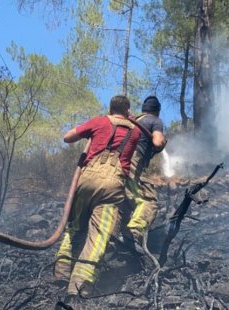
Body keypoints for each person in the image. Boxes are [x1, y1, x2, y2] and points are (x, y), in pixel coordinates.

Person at [54, 95, 142, 298]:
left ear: (110, 108)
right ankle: (80, 284)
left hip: (86, 180)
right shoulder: (135, 131)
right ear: (127, 109)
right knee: (99, 236)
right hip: (112, 185)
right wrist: (131, 118)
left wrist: (89, 132)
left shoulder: (99, 121)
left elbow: (67, 137)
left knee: (75, 226)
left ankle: (61, 272)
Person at [125, 96, 167, 247]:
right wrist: (161, 143)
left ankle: (119, 235)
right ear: (157, 111)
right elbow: (157, 142)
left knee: (123, 200)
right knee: (149, 201)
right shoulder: (154, 120)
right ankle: (134, 233)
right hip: (132, 163)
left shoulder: (132, 121)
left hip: (113, 165)